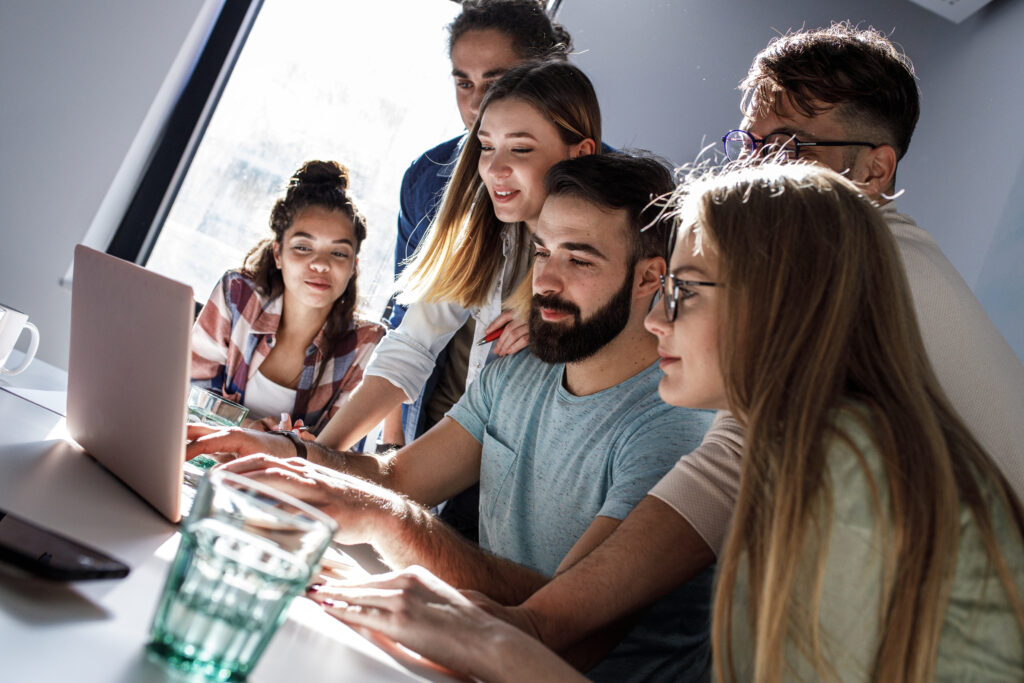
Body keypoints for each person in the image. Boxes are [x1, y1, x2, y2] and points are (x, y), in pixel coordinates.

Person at [308, 162, 1024, 683]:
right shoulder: (793, 439)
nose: (656, 319)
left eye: (683, 291)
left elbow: (565, 632)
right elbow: (546, 621)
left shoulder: (851, 469)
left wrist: (488, 638)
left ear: (775, 301)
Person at [445, 22, 1024, 663]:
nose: (752, 169)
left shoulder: (858, 270)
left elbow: (720, 476)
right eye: (748, 143)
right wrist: (531, 625)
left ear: (874, 169)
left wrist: (533, 626)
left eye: (786, 147)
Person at [190, 152, 716, 682]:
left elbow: (562, 627)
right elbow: (397, 479)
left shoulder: (672, 428)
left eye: (579, 261)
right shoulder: (523, 367)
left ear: (650, 277)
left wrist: (386, 519)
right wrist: (296, 454)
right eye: (542, 252)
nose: (546, 281)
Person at [387, 0, 576, 451]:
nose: (475, 103)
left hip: (522, 443)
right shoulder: (428, 177)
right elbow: (407, 321)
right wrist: (390, 442)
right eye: (463, 83)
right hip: (429, 423)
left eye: (495, 82)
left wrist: (558, 315)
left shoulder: (605, 186)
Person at [190, 160, 395, 436]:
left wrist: (288, 446)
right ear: (278, 254)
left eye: (338, 253)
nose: (320, 264)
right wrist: (247, 427)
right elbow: (189, 393)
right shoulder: (237, 294)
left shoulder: (366, 344)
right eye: (303, 247)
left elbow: (339, 450)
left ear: (353, 266)